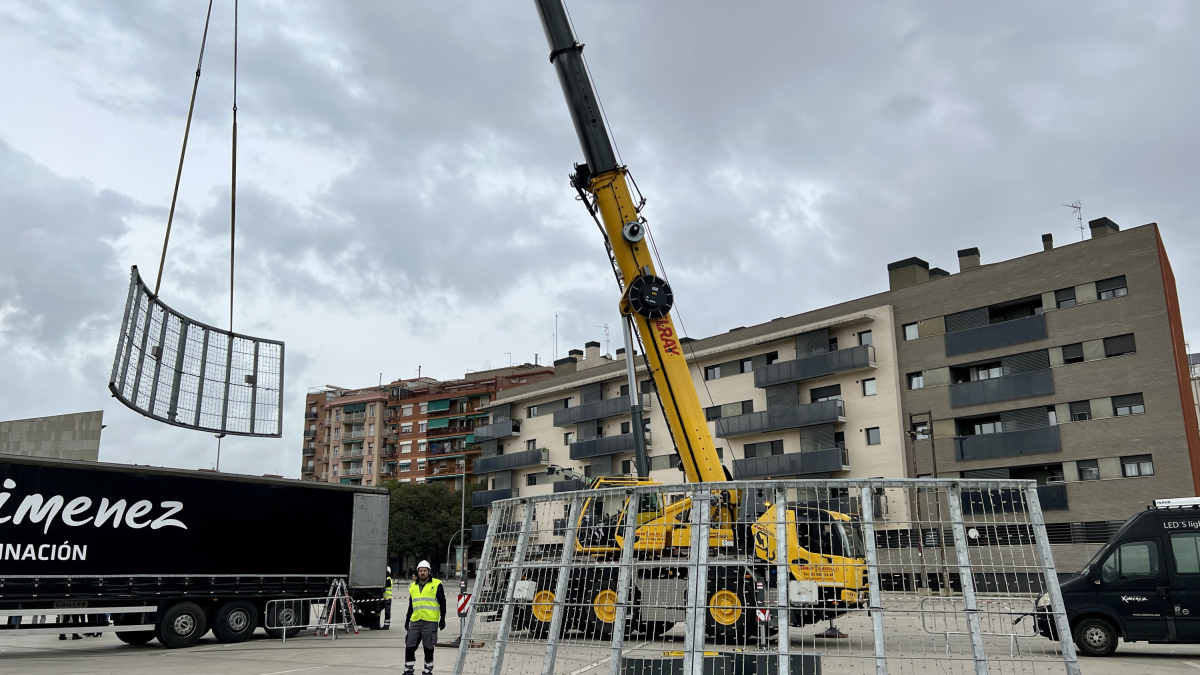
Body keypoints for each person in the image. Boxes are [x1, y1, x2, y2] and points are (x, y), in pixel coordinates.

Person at [404, 560, 446, 675]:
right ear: (418, 572)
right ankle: (408, 669)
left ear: (429, 572)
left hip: (430, 621)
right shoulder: (413, 586)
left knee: (428, 647)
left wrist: (443, 618)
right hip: (416, 620)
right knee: (409, 645)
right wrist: (407, 620)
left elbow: (442, 602)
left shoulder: (437, 584)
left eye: (425, 571)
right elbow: (411, 605)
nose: (422, 573)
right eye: (420, 571)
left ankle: (428, 670)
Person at [381, 566, 393, 630]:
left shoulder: (388, 579)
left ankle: (386, 625)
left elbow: (384, 588)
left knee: (387, 612)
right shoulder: (388, 579)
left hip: (387, 598)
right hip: (385, 598)